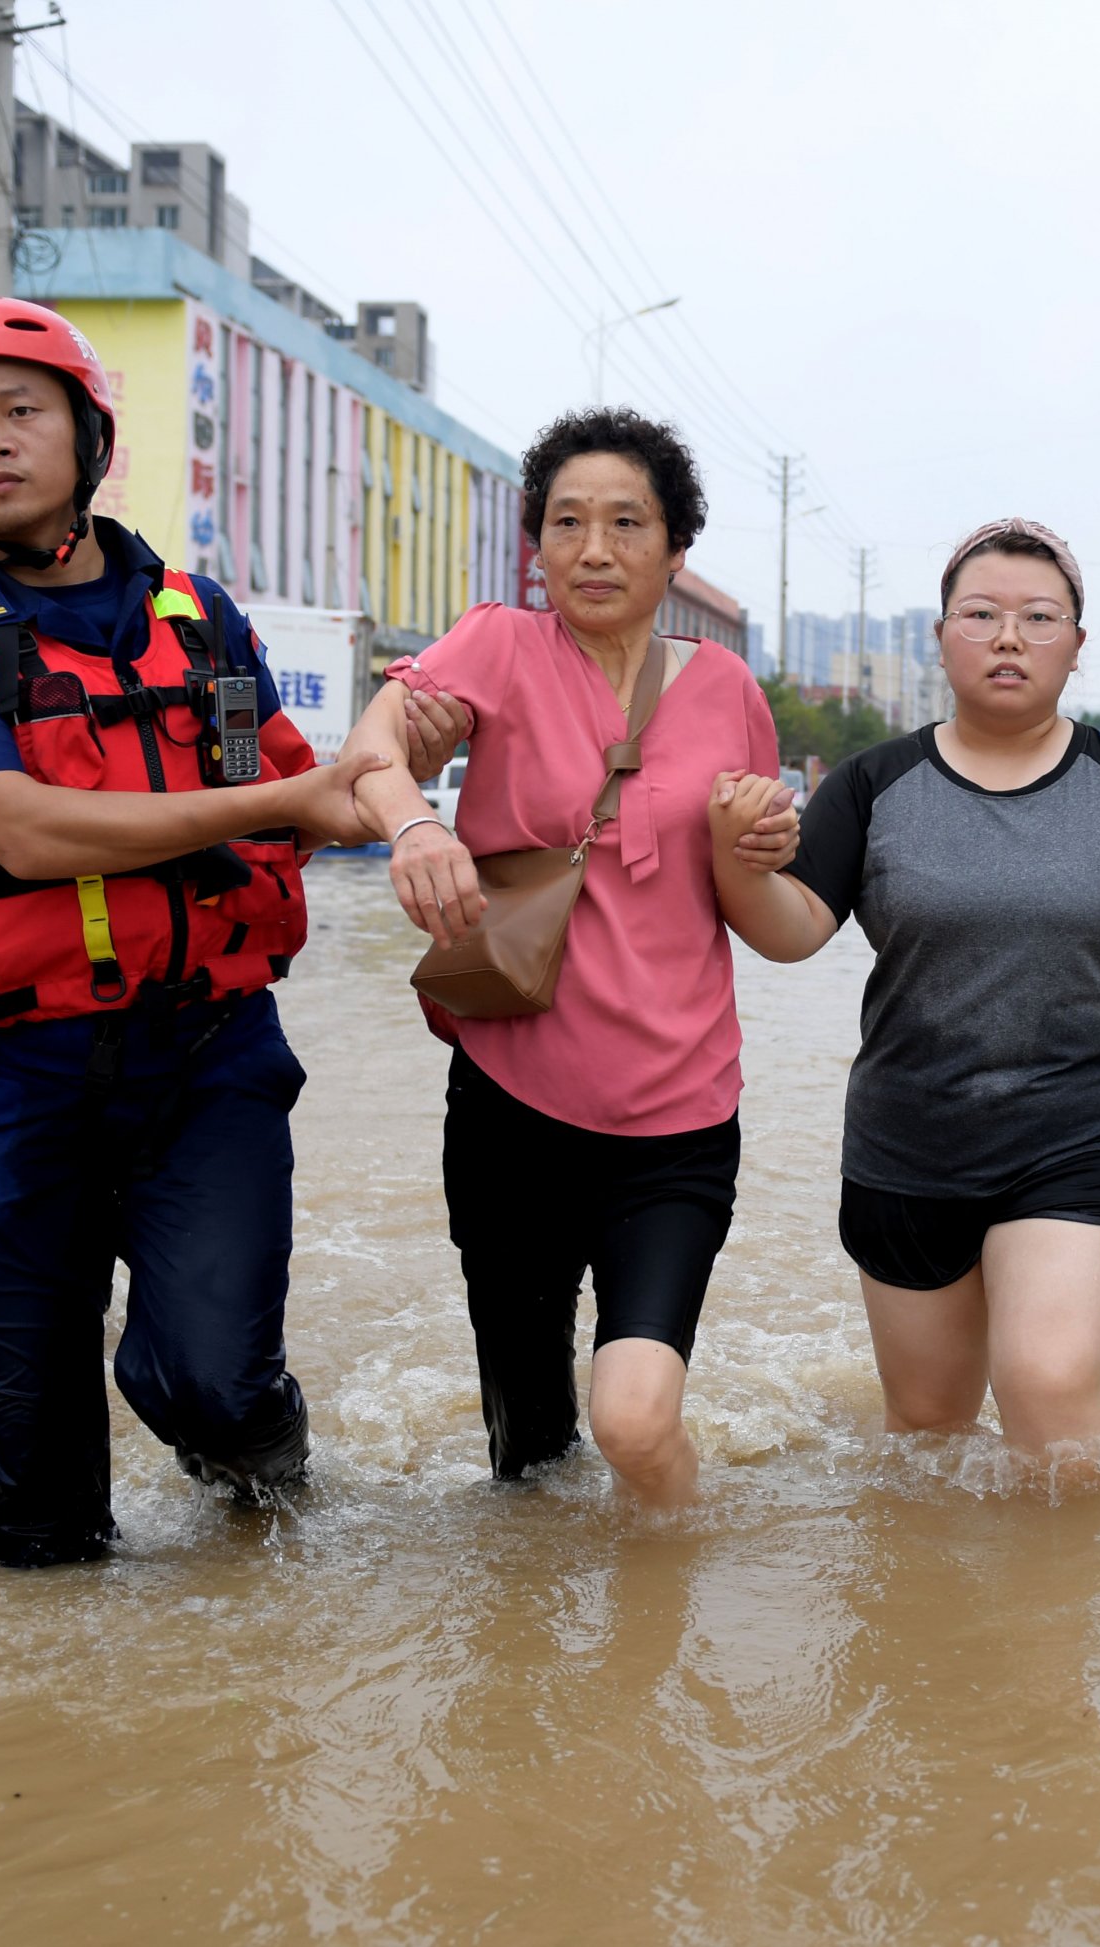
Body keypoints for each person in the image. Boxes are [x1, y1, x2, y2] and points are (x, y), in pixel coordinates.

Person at [0, 297, 409, 1567]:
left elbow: (295, 801)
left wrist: (407, 806)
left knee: (213, 1385)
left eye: (21, 412)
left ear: (89, 435)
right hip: (1, 1080)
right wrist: (290, 796)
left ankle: (266, 1482)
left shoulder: (202, 621)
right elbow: (26, 835)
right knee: (36, 1509)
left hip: (203, 1058)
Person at [706, 518, 1100, 1459]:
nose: (1007, 637)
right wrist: (734, 862)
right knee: (926, 1435)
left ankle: (1077, 1607)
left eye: (1039, 617)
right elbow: (792, 932)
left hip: (1082, 1130)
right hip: (908, 1139)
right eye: (979, 613)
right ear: (940, 636)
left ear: (1076, 645)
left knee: (1049, 1386)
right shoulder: (874, 784)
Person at [338, 407, 800, 1508]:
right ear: (536, 546)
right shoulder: (496, 644)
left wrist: (767, 842)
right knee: (528, 1447)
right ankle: (536, 1658)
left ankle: (667, 1601)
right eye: (567, 523)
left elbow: (760, 880)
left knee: (635, 1422)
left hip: (680, 1113)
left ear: (674, 550)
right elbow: (369, 750)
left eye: (626, 523)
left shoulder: (730, 689)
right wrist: (417, 826)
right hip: (511, 1100)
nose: (593, 550)